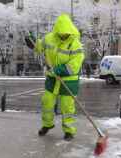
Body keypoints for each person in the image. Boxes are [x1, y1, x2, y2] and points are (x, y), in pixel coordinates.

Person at [33, 13, 85, 141]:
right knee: (47, 102)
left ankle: (69, 131)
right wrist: (34, 44)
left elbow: (74, 65)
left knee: (67, 107)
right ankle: (47, 124)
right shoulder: (49, 38)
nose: (63, 35)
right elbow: (40, 47)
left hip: (69, 80)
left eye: (66, 33)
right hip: (52, 79)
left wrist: (58, 69)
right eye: (61, 33)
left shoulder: (75, 44)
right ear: (57, 31)